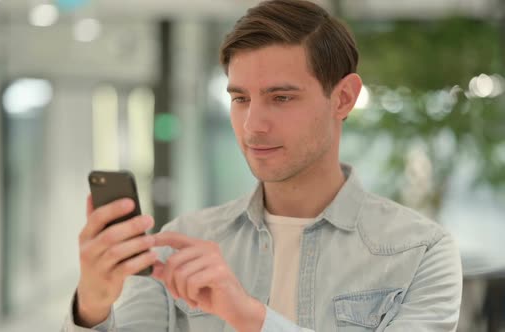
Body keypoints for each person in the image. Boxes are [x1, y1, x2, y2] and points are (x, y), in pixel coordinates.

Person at [62, 0, 463, 331]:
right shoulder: (182, 241)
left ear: (343, 99)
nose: (253, 125)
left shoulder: (420, 253)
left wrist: (247, 315)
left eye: (281, 98)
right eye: (240, 99)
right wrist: (93, 306)